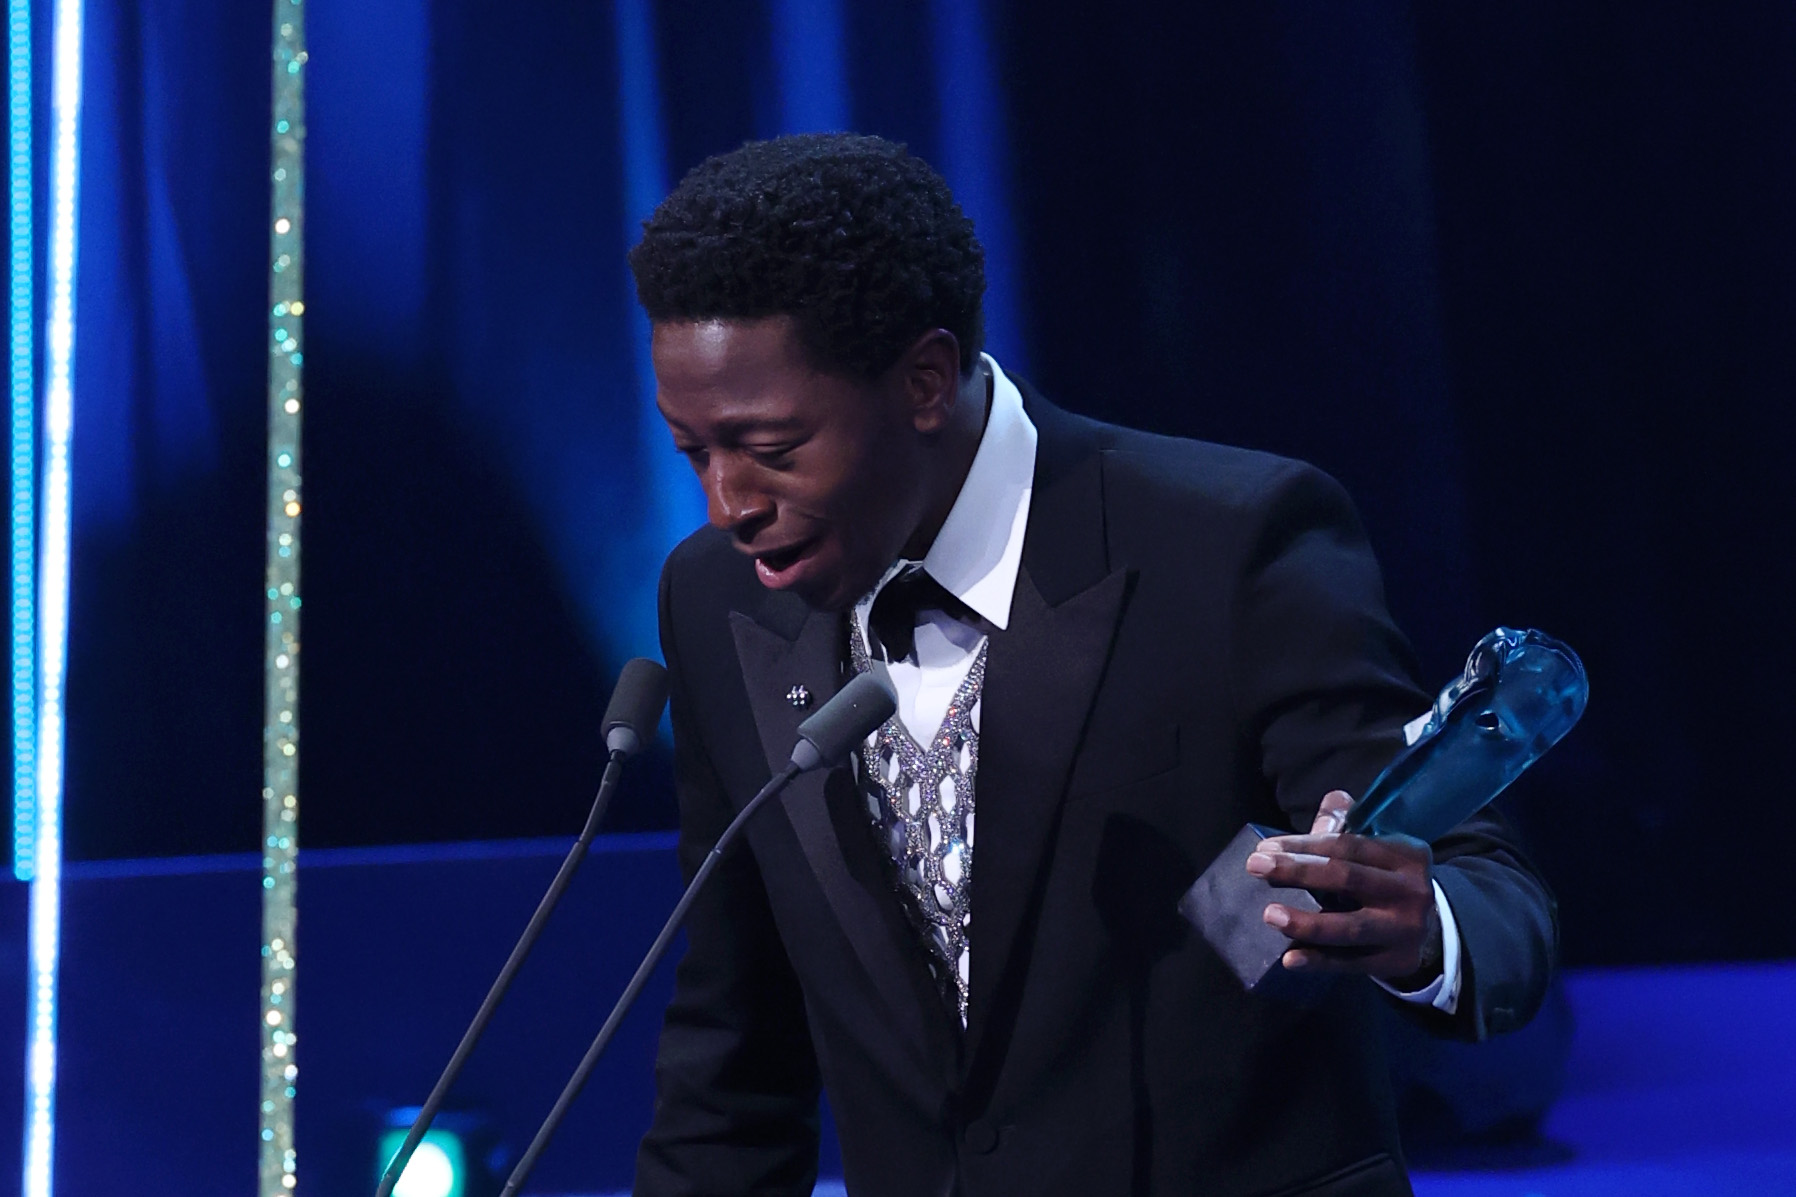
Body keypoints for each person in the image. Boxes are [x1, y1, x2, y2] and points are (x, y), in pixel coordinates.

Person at [626, 133, 1555, 1197]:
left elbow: (1489, 893)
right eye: (691, 450)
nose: (728, 503)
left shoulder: (1227, 543)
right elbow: (734, 1045)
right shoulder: (713, 601)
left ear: (924, 379)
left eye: (773, 449)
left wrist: (1414, 925)